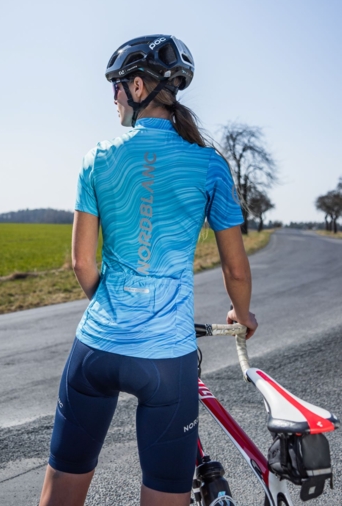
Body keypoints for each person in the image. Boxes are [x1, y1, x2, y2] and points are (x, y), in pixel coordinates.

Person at [39, 35, 258, 506]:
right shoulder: (210, 165)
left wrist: (112, 305)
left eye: (116, 86)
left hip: (96, 346)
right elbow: (235, 270)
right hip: (166, 359)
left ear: (137, 86)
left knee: (61, 491)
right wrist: (242, 314)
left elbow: (81, 263)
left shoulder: (96, 158)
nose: (113, 97)